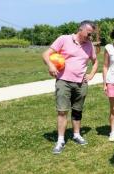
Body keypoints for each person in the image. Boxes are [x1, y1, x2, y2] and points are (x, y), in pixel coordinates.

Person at [42, 20, 98, 154]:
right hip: (64, 81)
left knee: (78, 110)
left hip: (81, 83)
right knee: (62, 111)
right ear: (81, 29)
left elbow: (95, 62)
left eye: (91, 35)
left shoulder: (89, 45)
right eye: (89, 34)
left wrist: (91, 74)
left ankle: (77, 135)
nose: (90, 37)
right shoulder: (64, 39)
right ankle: (60, 140)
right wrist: (51, 66)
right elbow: (45, 54)